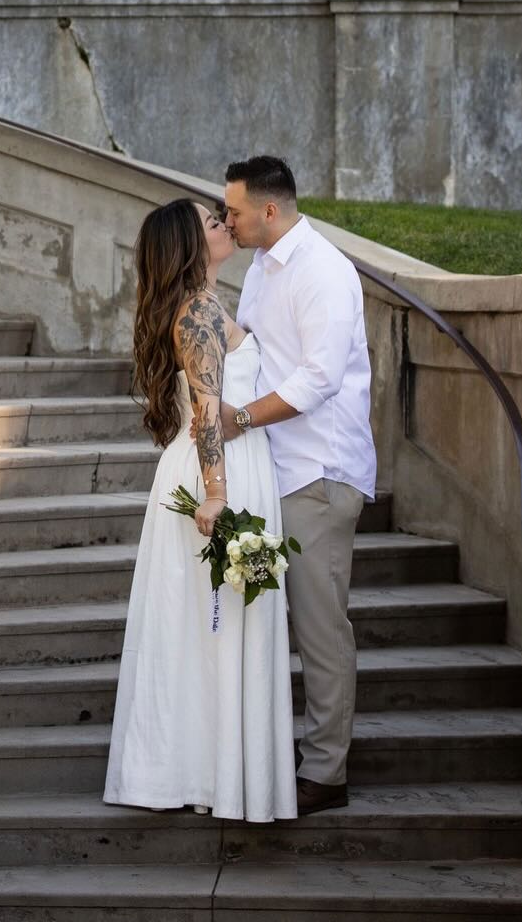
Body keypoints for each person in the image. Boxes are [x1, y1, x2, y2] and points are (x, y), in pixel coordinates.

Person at [103, 199, 296, 822]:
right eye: (210, 222)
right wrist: (216, 493)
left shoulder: (209, 305)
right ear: (189, 243)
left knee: (220, 626)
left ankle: (216, 772)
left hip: (238, 470)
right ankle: (194, 772)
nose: (223, 224)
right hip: (217, 478)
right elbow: (208, 409)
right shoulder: (197, 313)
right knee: (211, 628)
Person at [214, 155, 376, 817]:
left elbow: (319, 379)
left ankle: (326, 772)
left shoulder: (324, 272)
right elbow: (251, 349)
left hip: (318, 476)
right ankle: (261, 759)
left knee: (318, 629)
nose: (229, 220)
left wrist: (241, 418)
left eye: (236, 211)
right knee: (256, 621)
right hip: (268, 474)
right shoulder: (260, 267)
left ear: (271, 210)